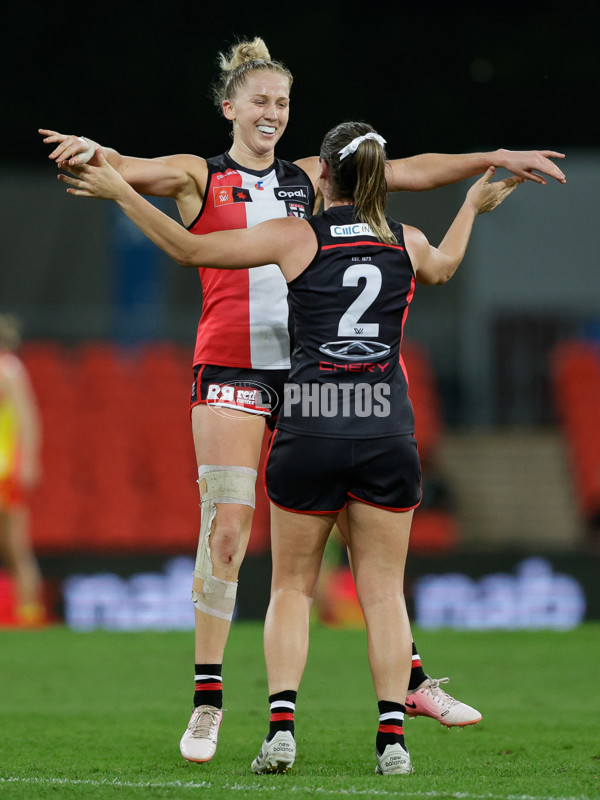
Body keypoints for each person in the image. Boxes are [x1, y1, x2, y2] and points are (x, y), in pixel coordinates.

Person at [40, 36, 565, 762]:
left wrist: (490, 158)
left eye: (282, 103)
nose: (272, 113)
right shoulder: (200, 174)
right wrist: (97, 152)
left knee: (361, 539)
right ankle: (207, 705)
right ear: (230, 107)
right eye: (259, 101)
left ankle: (410, 680)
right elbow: (129, 170)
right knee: (226, 529)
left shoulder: (310, 177)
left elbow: (406, 169)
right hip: (230, 368)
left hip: (306, 373)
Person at [0, 314, 45, 626]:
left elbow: (28, 418)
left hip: (4, 469)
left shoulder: (9, 369)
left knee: (15, 546)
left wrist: (28, 461)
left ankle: (30, 614)